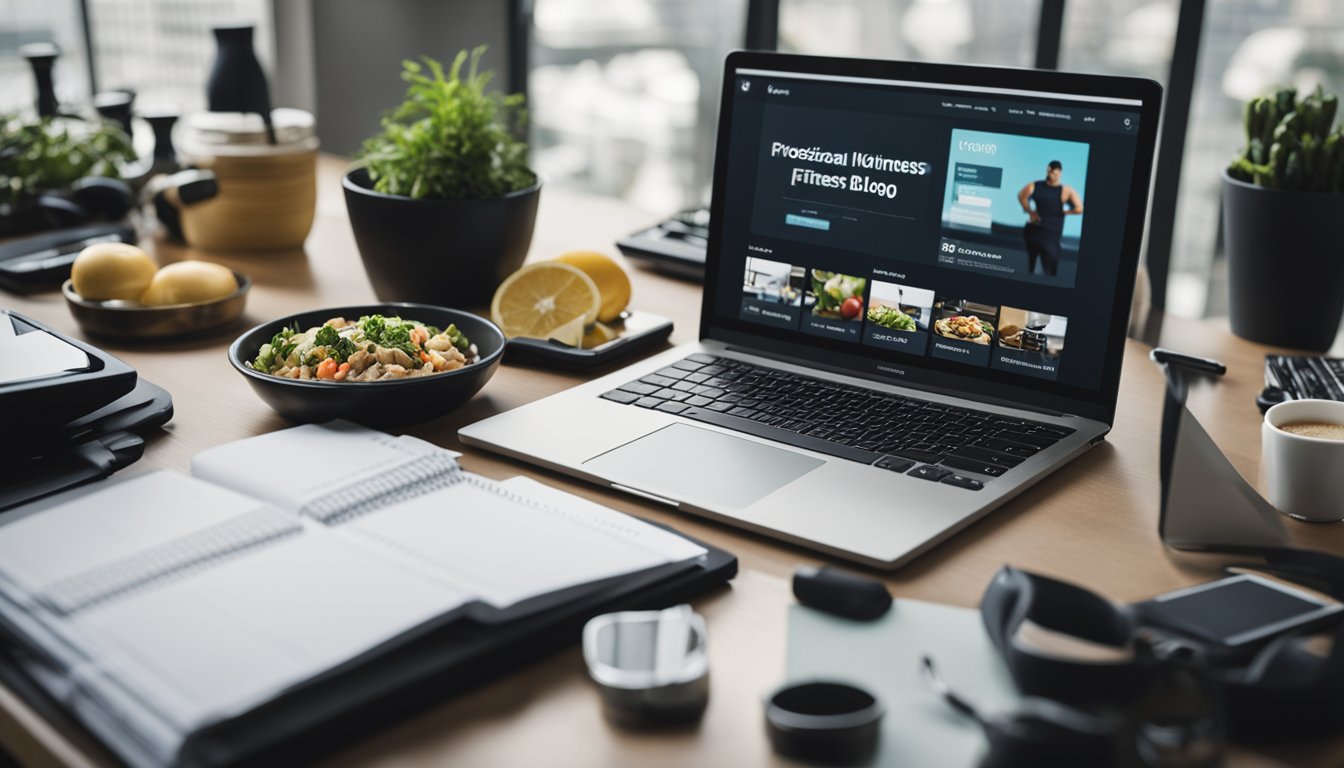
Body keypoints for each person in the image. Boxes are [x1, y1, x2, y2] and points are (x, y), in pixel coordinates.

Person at [1018, 161, 1083, 277]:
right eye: (1051, 172)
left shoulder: (1066, 191)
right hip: (1034, 230)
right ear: (1048, 170)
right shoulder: (1035, 185)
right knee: (1030, 267)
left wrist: (1066, 212)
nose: (1053, 175)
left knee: (1050, 268)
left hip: (1052, 234)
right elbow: (1021, 195)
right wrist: (1030, 211)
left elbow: (1079, 208)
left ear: (1060, 173)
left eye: (1056, 174)